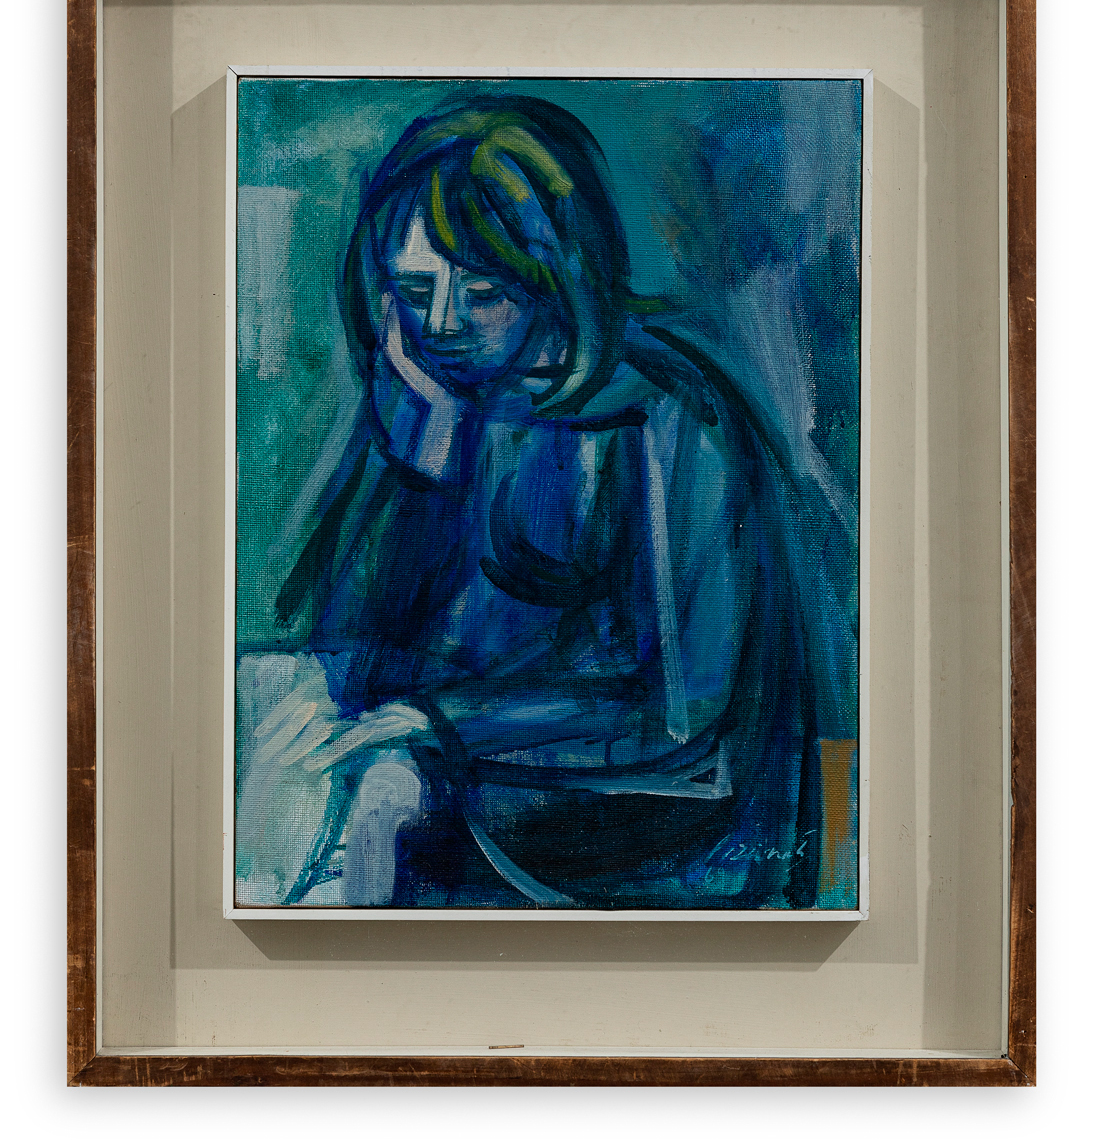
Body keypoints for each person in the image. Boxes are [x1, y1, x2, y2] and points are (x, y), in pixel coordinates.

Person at [235, 94, 851, 911]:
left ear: (557, 279)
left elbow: (683, 715)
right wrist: (426, 459)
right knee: (270, 690)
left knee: (385, 794)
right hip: (477, 749)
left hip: (648, 798)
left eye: (482, 292)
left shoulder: (663, 418)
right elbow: (363, 641)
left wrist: (433, 724)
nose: (440, 325)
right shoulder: (438, 397)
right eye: (413, 290)